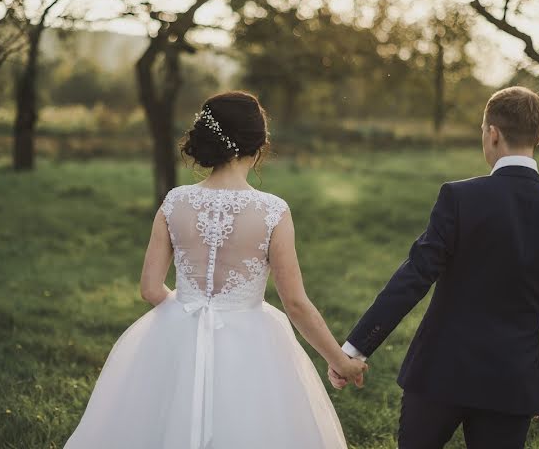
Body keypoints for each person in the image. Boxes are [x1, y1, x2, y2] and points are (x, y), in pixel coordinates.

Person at [64, 90, 366, 449]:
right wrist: (340, 361)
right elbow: (296, 304)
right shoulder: (272, 211)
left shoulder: (175, 201)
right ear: (259, 144)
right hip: (252, 337)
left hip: (177, 327)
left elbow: (149, 288)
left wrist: (182, 308)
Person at [330, 86, 539, 449]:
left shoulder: (460, 197)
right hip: (511, 384)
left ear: (492, 133)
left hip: (439, 372)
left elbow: (415, 276)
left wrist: (354, 349)